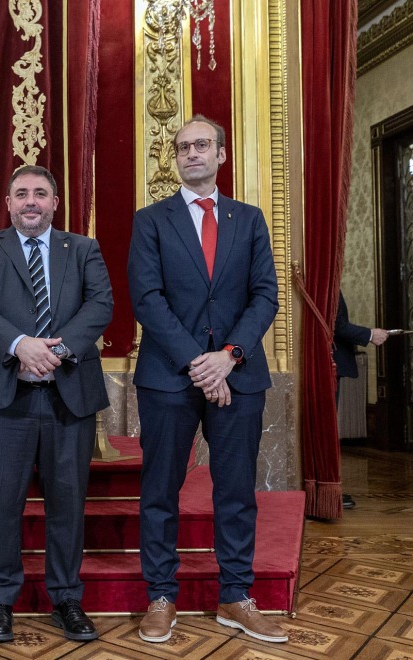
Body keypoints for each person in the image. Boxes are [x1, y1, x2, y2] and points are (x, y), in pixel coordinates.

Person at [128, 115, 284, 644]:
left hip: (238, 377)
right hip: (168, 377)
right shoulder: (151, 220)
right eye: (182, 147)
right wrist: (202, 362)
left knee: (236, 491)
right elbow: (147, 299)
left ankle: (236, 596)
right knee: (160, 491)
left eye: (201, 145)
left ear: (221, 154)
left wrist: (230, 357)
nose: (191, 153)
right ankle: (161, 597)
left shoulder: (250, 219)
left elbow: (266, 295)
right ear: (177, 158)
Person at [0, 165, 113, 644]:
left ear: (55, 202)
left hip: (69, 397)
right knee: (1, 505)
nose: (31, 201)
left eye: (40, 194)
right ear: (8, 203)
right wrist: (21, 344)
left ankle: (67, 598)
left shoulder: (83, 249)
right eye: (22, 193)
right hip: (6, 399)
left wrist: (57, 350)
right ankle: (1, 601)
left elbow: (101, 305)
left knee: (67, 505)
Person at [333, 291, 388, 509]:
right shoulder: (325, 281)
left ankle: (332, 487)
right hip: (330, 362)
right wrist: (369, 334)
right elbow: (337, 325)